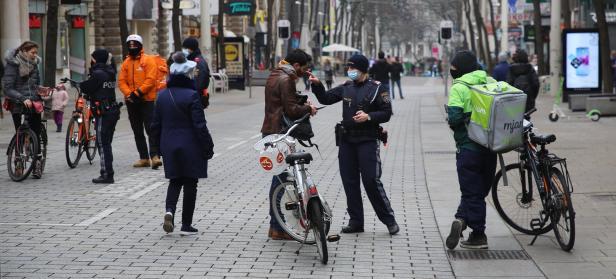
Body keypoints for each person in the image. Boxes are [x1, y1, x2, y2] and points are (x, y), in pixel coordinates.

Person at [309, 54, 399, 235]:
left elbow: (387, 113)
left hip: (367, 140)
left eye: (353, 68)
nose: (350, 71)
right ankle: (356, 221)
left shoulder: (377, 88)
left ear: (363, 70)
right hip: (347, 141)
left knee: (370, 181)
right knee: (350, 182)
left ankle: (389, 220)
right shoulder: (346, 87)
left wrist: (369, 116)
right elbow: (325, 98)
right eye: (348, 68)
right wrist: (317, 85)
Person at [152, 52, 214, 235]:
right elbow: (199, 125)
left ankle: (169, 211)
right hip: (190, 145)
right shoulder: (192, 95)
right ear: (187, 74)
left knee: (174, 181)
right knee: (190, 183)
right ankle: (186, 225)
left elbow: (155, 125)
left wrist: (154, 150)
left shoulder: (162, 96)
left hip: (168, 144)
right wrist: (208, 146)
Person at [261, 49, 317, 240]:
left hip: (271, 132)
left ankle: (275, 226)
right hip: (280, 134)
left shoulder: (275, 74)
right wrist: (309, 108)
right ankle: (277, 227)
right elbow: (292, 110)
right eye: (304, 68)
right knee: (281, 179)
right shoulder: (287, 80)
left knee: (279, 177)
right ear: (296, 66)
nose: (305, 72)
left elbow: (281, 104)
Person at [445, 50, 497, 250]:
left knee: (471, 192)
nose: (452, 71)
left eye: (454, 67)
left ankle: (478, 234)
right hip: (491, 146)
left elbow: (455, 118)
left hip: (469, 148)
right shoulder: (490, 81)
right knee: (479, 190)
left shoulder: (459, 88)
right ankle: (461, 219)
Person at [118, 34, 162, 169]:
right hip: (131, 101)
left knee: (151, 129)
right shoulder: (126, 63)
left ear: (140, 46)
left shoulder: (148, 60)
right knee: (137, 130)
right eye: (130, 45)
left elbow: (151, 79)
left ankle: (155, 156)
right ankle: (143, 158)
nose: (132, 47)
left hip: (146, 100)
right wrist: (129, 94)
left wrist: (138, 93)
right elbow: (121, 81)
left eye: (134, 44)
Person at [2, 41, 45, 177]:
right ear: (24, 51)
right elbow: (8, 88)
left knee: (36, 133)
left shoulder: (34, 64)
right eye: (32, 52)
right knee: (19, 134)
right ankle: (18, 163)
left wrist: (43, 91)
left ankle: (37, 163)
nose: (35, 55)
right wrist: (22, 98)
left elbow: (36, 85)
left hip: (34, 103)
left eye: (36, 52)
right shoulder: (13, 64)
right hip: (18, 104)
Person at [79, 49, 121, 184]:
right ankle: (107, 172)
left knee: (103, 144)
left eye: (92, 58)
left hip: (103, 112)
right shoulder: (111, 72)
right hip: (113, 110)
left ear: (96, 59)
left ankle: (107, 174)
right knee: (106, 143)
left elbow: (87, 87)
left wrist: (80, 84)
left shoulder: (98, 74)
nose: (91, 60)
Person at [181, 37, 211, 108]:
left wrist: (191, 95)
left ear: (190, 49)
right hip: (192, 97)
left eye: (185, 48)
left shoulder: (198, 62)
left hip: (195, 99)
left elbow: (199, 83)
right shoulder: (191, 60)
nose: (184, 50)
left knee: (196, 118)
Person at [507, 49, 539, 113]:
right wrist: (533, 97)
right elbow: (536, 85)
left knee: (515, 120)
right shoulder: (530, 68)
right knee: (527, 118)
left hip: (514, 100)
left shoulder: (511, 69)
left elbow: (508, 85)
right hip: (528, 99)